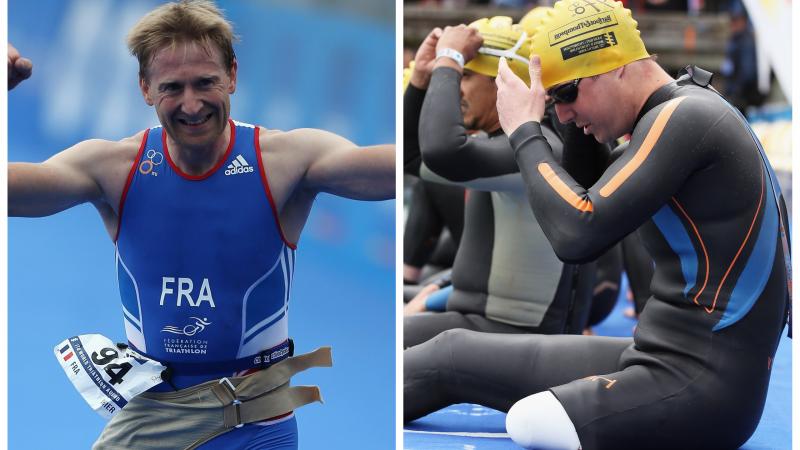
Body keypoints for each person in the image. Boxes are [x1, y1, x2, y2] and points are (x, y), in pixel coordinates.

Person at [8, 1, 394, 449]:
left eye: (205, 82)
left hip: (259, 427)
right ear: (145, 88)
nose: (191, 105)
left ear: (232, 74)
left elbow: (389, 169)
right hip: (154, 419)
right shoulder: (113, 167)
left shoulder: (286, 161)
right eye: (172, 87)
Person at [462, 1, 786, 449]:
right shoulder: (678, 112)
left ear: (615, 68)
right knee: (451, 353)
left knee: (531, 422)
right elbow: (589, 185)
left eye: (567, 95)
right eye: (555, 101)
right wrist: (565, 98)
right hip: (657, 356)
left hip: (705, 390)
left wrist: (523, 130)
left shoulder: (686, 117)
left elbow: (577, 233)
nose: (564, 115)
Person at [401, 15, 611, 348]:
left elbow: (442, 152)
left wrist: (449, 60)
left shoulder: (538, 149)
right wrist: (422, 78)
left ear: (504, 82)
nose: (456, 86)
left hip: (512, 336)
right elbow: (413, 158)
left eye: (467, 76)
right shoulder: (507, 141)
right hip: (478, 322)